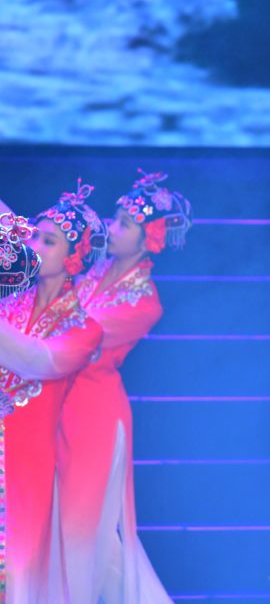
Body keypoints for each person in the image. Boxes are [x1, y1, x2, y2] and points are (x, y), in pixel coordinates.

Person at [57, 171, 192, 603]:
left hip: (95, 417)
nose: (111, 228)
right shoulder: (89, 275)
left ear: (148, 237)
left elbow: (79, 337)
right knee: (73, 529)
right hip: (61, 407)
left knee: (83, 527)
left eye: (124, 223)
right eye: (113, 219)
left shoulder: (144, 302)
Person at [1, 185, 104, 603]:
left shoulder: (85, 330)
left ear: (74, 256)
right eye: (33, 238)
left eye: (49, 241)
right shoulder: (8, 304)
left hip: (29, 461)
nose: (35, 247)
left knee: (19, 568)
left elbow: (37, 361)